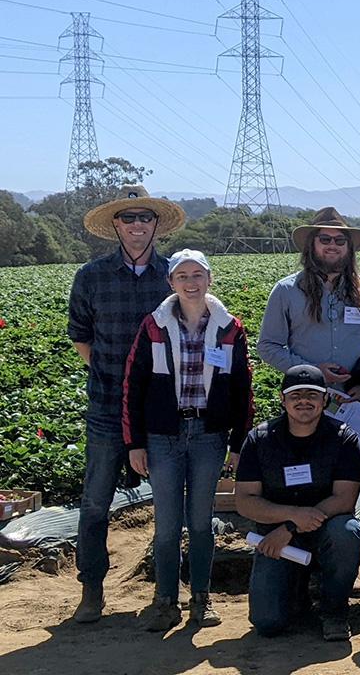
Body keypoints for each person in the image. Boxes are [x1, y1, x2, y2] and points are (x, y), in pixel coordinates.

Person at [66, 183, 185, 624]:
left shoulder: (175, 275)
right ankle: (92, 590)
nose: (137, 225)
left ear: (157, 226)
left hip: (163, 408)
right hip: (106, 406)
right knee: (96, 501)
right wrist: (116, 377)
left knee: (170, 500)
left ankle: (168, 592)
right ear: (115, 225)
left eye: (145, 218)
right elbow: (81, 335)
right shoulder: (91, 276)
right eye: (129, 218)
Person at [122, 249, 254, 631]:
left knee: (199, 523)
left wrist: (238, 443)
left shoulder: (230, 328)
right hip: (163, 436)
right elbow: (134, 384)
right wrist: (134, 444)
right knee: (166, 524)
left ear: (209, 280)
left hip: (208, 436)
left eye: (198, 275)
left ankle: (200, 598)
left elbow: (243, 388)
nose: (191, 282)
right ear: (171, 282)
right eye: (182, 276)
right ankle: (165, 600)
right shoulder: (154, 326)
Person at [235, 365, 360, 641]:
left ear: (325, 400)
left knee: (347, 531)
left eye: (312, 394)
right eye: (295, 394)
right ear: (283, 400)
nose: (303, 400)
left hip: (324, 532)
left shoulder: (343, 438)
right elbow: (245, 502)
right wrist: (291, 517)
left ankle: (334, 610)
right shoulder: (259, 440)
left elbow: (345, 498)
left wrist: (291, 526)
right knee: (267, 623)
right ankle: (299, 590)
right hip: (275, 537)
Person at [258, 207, 360, 388]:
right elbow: (268, 346)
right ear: (311, 245)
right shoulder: (286, 290)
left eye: (340, 240)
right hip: (304, 394)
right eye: (324, 239)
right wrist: (311, 371)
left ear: (348, 247)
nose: (332, 245)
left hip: (354, 397)